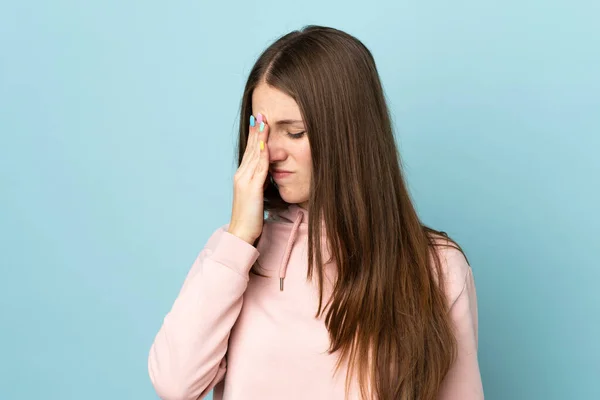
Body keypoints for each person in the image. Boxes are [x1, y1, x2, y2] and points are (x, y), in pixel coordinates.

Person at [148, 25, 484, 400]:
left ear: (348, 135)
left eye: (294, 132)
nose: (272, 151)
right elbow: (175, 385)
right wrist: (239, 238)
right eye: (261, 131)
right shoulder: (234, 255)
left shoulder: (436, 267)